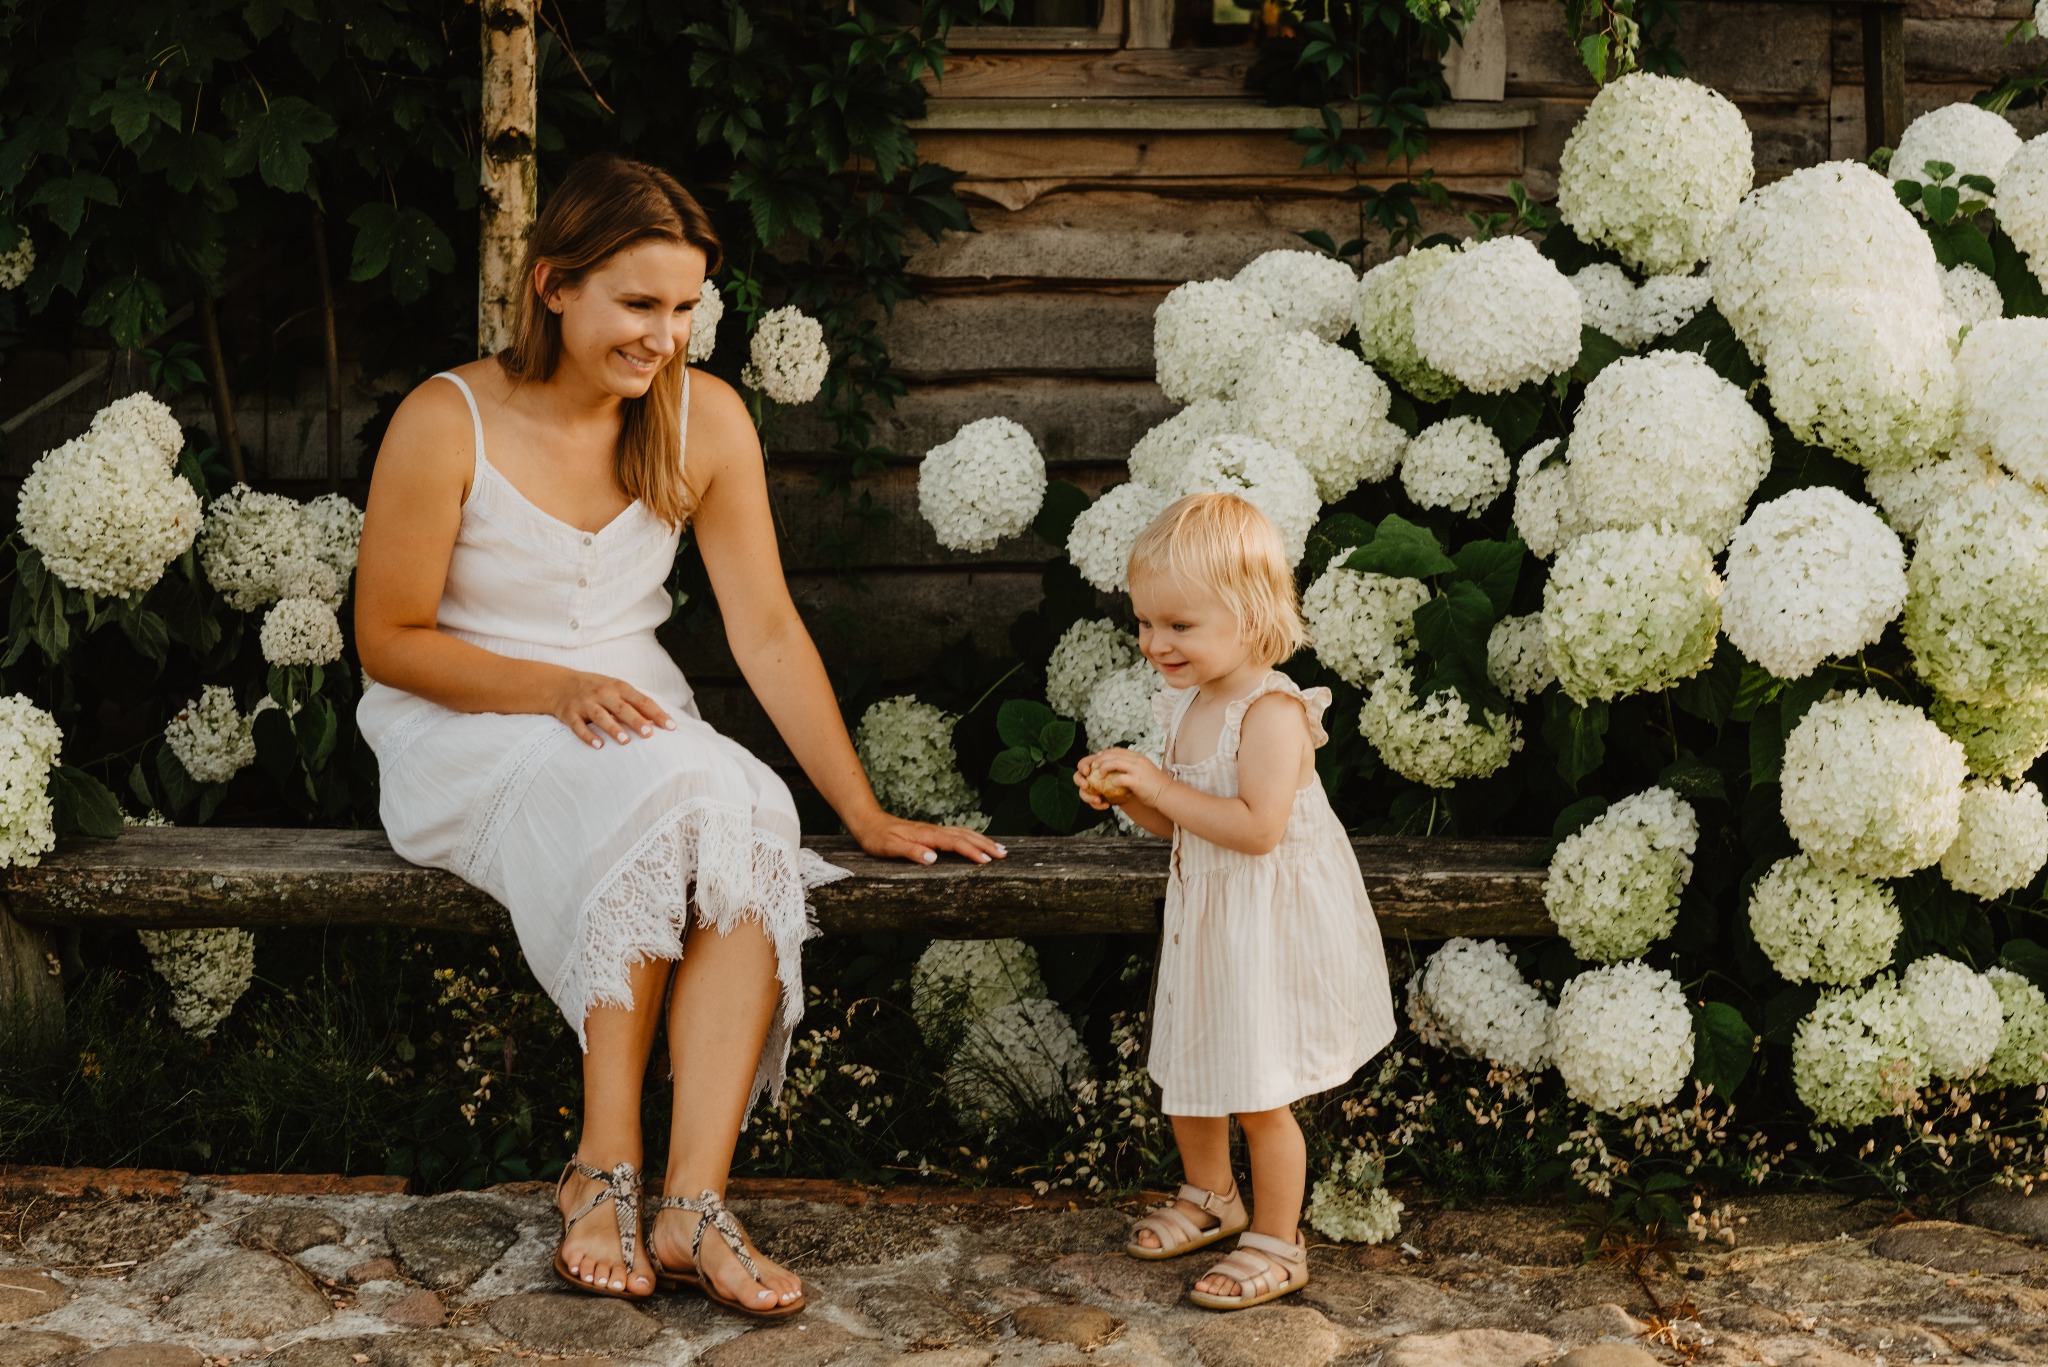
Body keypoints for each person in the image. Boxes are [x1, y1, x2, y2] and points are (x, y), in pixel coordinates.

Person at [353, 155, 1002, 1316]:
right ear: (553, 284)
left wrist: (860, 809)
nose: (665, 334)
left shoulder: (703, 418)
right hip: (472, 719)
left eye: (685, 307)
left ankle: (693, 1201)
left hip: (638, 722)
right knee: (666, 797)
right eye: (638, 304)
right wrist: (552, 688)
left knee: (745, 807)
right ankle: (600, 1164)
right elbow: (391, 639)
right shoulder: (445, 419)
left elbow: (761, 627)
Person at [1073, 492, 1395, 1311]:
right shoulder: (1186, 703)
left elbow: (1254, 829)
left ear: (1250, 617)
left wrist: (1159, 786)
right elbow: (1180, 824)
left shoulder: (1273, 712)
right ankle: (1211, 1192)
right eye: (1146, 623)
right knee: (1191, 1062)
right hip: (1209, 920)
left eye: (1179, 625)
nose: (1156, 644)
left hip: (1266, 925)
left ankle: (1279, 1241)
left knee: (1258, 1088)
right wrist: (1128, 794)